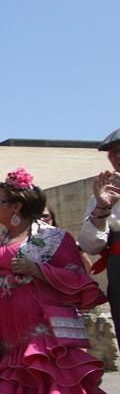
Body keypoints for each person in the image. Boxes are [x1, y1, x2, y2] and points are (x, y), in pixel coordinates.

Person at [0, 167, 119, 394]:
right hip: (10, 333)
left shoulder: (54, 239)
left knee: (58, 393)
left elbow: (78, 278)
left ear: (15, 207)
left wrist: (37, 269)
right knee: (21, 392)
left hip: (46, 334)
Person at [78, 128, 120, 351]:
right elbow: (90, 245)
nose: (117, 156)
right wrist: (103, 207)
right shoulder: (100, 197)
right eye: (112, 153)